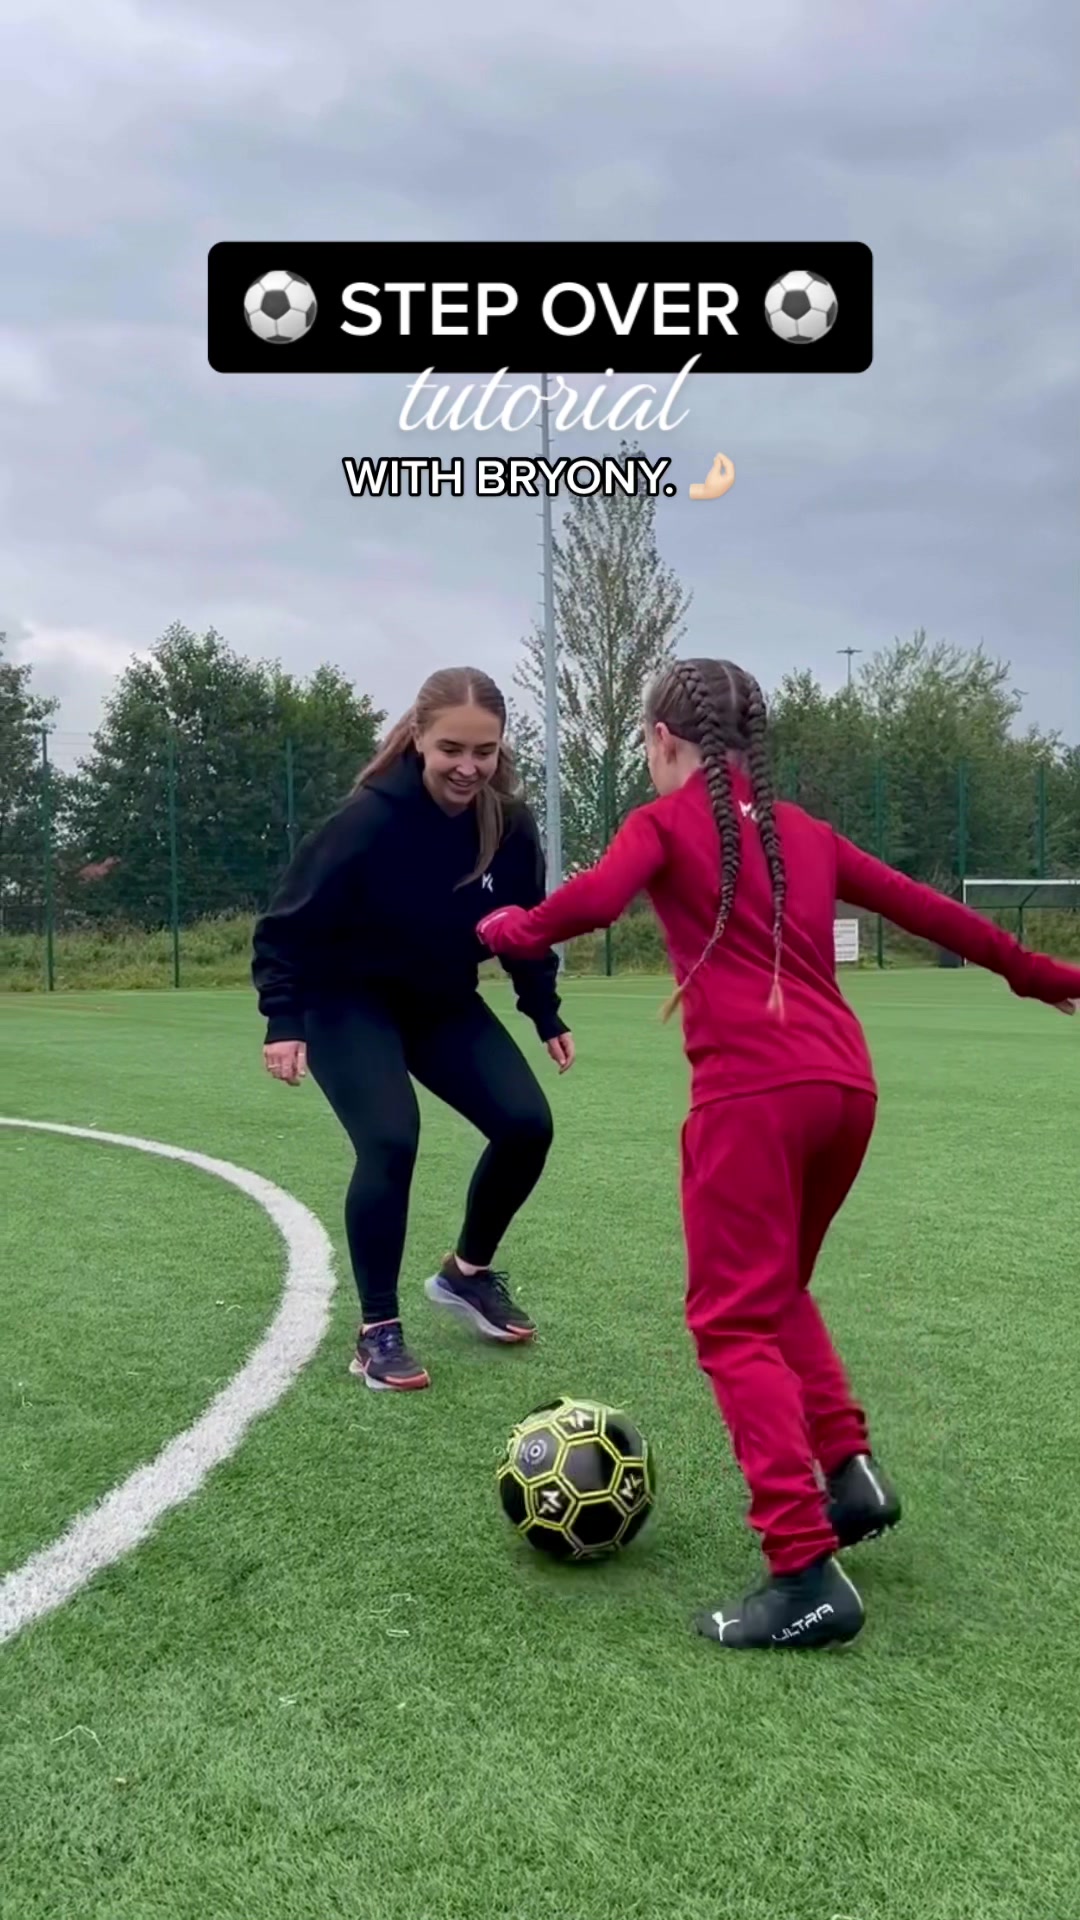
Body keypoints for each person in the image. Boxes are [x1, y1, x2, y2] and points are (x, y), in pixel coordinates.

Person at [478, 657, 1080, 1651]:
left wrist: (514, 928)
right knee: (777, 1289)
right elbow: (935, 913)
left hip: (752, 1101)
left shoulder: (662, 824)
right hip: (845, 1092)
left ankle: (802, 1571)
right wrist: (1037, 973)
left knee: (729, 1322)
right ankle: (849, 1475)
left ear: (662, 740)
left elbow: (595, 901)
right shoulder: (804, 832)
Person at [252, 667, 574, 1393]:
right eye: (451, 749)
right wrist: (284, 1019)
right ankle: (377, 1332)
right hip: (346, 1001)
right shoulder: (367, 821)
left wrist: (543, 1009)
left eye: (484, 751)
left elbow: (522, 927)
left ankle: (466, 1274)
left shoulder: (509, 826)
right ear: (420, 738)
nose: (467, 767)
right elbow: (285, 926)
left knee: (526, 1125)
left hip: (439, 1000)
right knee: (391, 1139)